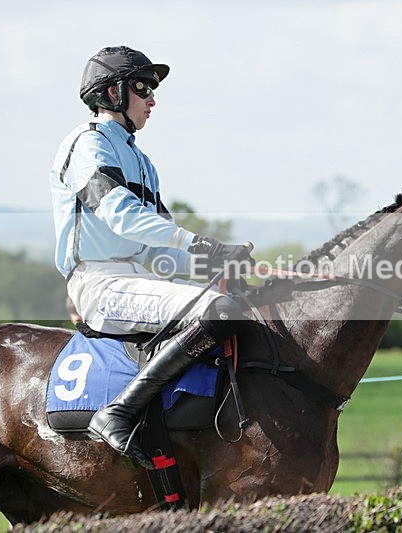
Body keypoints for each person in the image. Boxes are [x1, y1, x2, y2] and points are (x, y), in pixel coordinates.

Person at [50, 46, 254, 468]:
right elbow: (121, 216)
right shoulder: (87, 144)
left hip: (137, 277)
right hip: (99, 283)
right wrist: (201, 244)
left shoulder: (142, 162)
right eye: (143, 88)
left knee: (240, 303)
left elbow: (160, 250)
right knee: (217, 309)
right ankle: (118, 413)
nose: (152, 100)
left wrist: (216, 261)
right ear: (113, 93)